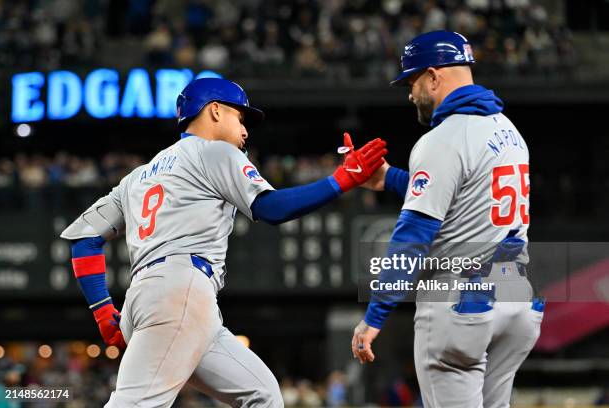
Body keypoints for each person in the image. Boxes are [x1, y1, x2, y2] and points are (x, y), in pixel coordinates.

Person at [60, 77, 387, 407]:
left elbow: (84, 238)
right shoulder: (214, 152)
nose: (245, 130)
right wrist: (341, 180)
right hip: (179, 290)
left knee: (263, 395)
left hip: (159, 297)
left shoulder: (137, 177)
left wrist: (103, 310)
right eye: (239, 117)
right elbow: (271, 208)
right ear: (215, 111)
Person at [351, 31, 544, 407]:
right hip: (516, 298)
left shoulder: (442, 139)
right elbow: (463, 194)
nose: (410, 92)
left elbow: (412, 237)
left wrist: (374, 316)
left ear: (435, 76)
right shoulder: (509, 130)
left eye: (413, 80)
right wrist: (389, 177)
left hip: (459, 304)